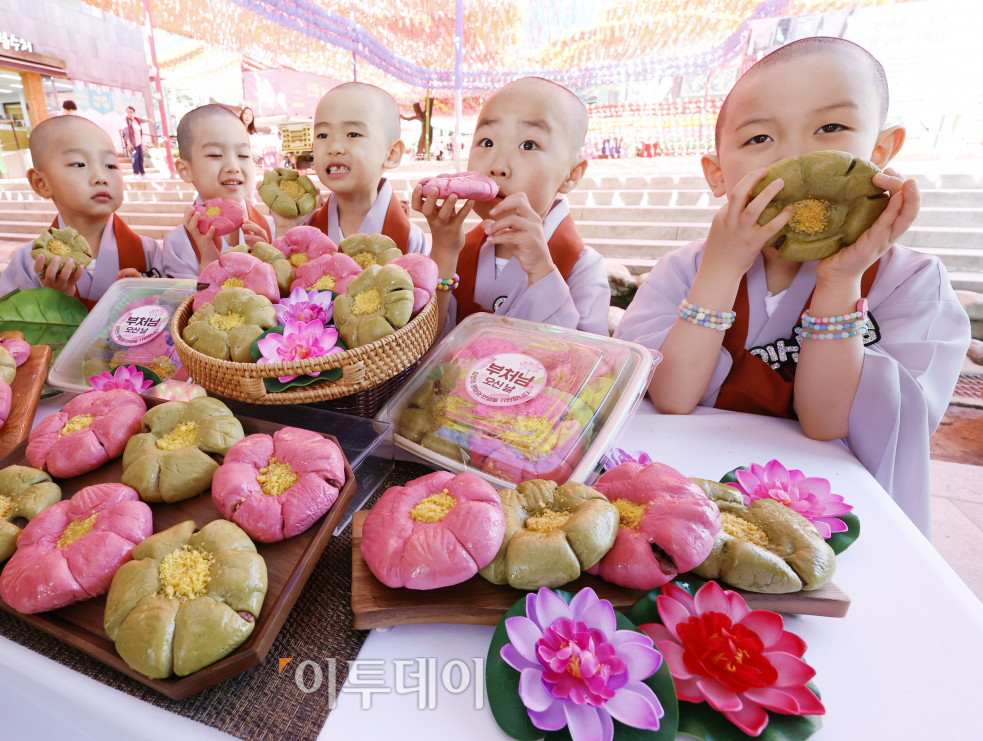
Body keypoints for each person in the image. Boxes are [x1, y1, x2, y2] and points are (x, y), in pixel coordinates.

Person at [615, 37, 971, 535]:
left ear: (882, 149)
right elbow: (672, 398)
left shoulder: (911, 282)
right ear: (717, 174)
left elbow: (828, 423)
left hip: (834, 523)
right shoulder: (683, 268)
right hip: (691, 507)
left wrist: (840, 280)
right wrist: (719, 272)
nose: (798, 158)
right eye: (760, 139)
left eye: (831, 128)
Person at [414, 77, 609, 336]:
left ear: (571, 174)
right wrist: (445, 250)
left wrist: (541, 270)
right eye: (487, 142)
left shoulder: (583, 266)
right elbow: (424, 348)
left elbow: (590, 363)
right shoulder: (459, 249)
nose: (498, 167)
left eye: (528, 145)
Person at [0, 116, 163, 308]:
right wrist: (56, 298)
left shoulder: (147, 251)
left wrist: (151, 299)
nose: (101, 177)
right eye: (79, 164)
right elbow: (7, 334)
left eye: (110, 165)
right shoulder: (29, 262)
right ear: (41, 183)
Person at [301, 83, 430, 255]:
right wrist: (284, 227)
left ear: (391, 153)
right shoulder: (305, 230)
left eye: (353, 134)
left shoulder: (410, 239)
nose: (334, 147)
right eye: (323, 135)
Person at [161, 104, 275, 279]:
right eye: (215, 155)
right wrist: (208, 264)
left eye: (243, 155)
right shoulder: (178, 244)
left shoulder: (272, 229)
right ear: (185, 170)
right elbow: (183, 304)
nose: (233, 167)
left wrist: (272, 262)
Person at [125, 106, 147, 176]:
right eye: (128, 112)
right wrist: (129, 144)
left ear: (134, 113)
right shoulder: (126, 122)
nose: (129, 114)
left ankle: (142, 173)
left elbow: (143, 120)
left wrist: (150, 120)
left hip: (139, 143)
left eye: (131, 112)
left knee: (140, 158)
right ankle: (136, 173)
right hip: (132, 144)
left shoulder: (137, 120)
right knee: (135, 158)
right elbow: (126, 133)